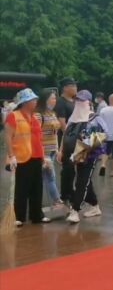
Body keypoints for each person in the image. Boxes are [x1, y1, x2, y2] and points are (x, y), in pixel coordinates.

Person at [58, 90, 107, 224]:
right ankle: (95, 206)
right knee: (85, 182)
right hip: (72, 153)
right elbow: (65, 134)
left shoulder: (95, 118)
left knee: (82, 181)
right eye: (77, 100)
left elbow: (102, 135)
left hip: (88, 155)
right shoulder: (73, 118)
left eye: (82, 100)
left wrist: (84, 148)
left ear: (89, 102)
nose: (79, 103)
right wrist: (61, 150)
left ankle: (75, 210)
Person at [4, 88, 51, 226]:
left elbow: (38, 138)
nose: (36, 102)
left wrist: (43, 156)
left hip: (36, 156)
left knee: (37, 187)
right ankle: (19, 216)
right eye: (33, 100)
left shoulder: (35, 117)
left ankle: (36, 215)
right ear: (25, 102)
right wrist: (11, 155)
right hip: (21, 156)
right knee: (22, 188)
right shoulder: (14, 116)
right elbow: (8, 136)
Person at [35, 89, 64, 208]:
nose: (54, 100)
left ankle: (37, 203)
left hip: (51, 151)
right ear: (45, 99)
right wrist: (41, 154)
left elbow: (55, 134)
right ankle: (56, 200)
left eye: (55, 98)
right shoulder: (38, 115)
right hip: (43, 152)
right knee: (49, 177)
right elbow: (35, 135)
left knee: (46, 177)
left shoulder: (52, 114)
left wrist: (57, 149)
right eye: (52, 98)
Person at [55, 77, 77, 205]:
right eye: (72, 86)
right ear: (65, 88)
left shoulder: (73, 101)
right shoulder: (61, 102)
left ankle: (70, 190)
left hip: (75, 138)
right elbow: (62, 123)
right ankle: (65, 194)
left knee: (72, 167)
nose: (75, 88)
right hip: (66, 139)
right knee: (67, 167)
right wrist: (69, 137)